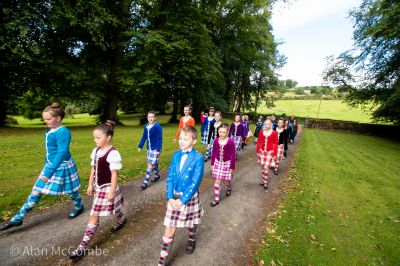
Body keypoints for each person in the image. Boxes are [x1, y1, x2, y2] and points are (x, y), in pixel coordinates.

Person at [0, 102, 84, 231]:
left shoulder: (63, 132)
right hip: (51, 165)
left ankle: (79, 207)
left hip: (62, 166)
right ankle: (18, 218)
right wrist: (47, 164)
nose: (45, 121)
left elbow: (62, 153)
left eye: (48, 119)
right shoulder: (51, 130)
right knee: (37, 190)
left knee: (71, 189)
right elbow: (50, 151)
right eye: (44, 119)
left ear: (58, 118)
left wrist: (49, 171)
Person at [69, 121, 127, 259]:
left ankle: (82, 247)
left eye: (98, 137)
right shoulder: (95, 152)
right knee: (113, 207)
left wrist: (112, 191)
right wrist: (90, 185)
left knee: (94, 215)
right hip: (98, 187)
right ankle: (122, 219)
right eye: (94, 137)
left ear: (108, 137)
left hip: (108, 188)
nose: (95, 140)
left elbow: (114, 174)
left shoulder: (113, 153)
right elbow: (93, 169)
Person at [158, 126, 204, 265]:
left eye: (186, 138)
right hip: (174, 198)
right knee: (169, 228)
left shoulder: (198, 158)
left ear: (194, 141)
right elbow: (170, 177)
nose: (181, 141)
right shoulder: (176, 155)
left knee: (192, 221)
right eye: (180, 138)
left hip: (188, 197)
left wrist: (183, 200)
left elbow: (195, 182)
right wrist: (170, 197)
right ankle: (162, 261)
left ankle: (191, 238)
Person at [210, 124, 236, 207]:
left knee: (226, 180)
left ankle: (229, 187)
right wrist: (212, 163)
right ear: (218, 131)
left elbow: (233, 154)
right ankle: (216, 199)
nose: (221, 134)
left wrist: (232, 167)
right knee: (217, 180)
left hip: (227, 164)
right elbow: (213, 152)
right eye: (220, 132)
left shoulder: (230, 142)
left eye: (224, 132)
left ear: (227, 132)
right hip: (218, 163)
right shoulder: (216, 140)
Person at [138, 111, 163, 190]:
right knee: (154, 164)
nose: (150, 118)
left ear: (155, 118)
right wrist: (140, 146)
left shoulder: (157, 126)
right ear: (147, 118)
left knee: (150, 165)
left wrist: (158, 149)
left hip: (155, 148)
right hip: (149, 148)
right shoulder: (146, 126)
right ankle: (157, 175)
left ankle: (145, 182)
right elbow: (144, 136)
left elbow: (159, 138)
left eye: (152, 117)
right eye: (149, 117)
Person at [256, 119, 278, 190]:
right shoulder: (261, 132)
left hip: (269, 153)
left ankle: (265, 182)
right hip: (262, 152)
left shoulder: (274, 133)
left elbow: (276, 143)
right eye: (265, 124)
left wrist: (274, 154)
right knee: (262, 167)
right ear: (264, 125)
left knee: (266, 167)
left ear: (271, 124)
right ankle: (263, 180)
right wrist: (258, 151)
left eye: (268, 124)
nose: (267, 125)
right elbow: (259, 142)